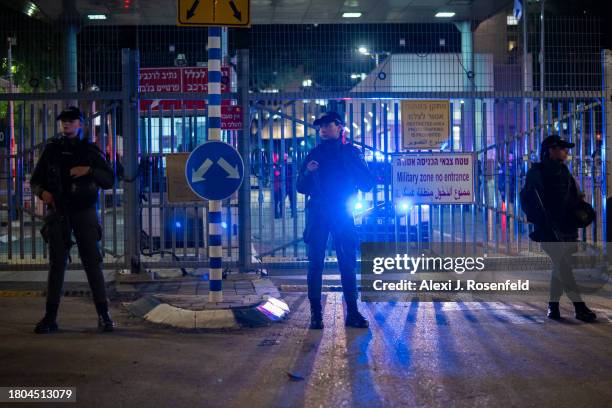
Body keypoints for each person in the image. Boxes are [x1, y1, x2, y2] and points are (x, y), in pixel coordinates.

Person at [30, 106, 116, 333]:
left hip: (84, 210)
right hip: (58, 211)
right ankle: (50, 317)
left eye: (71, 121)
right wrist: (43, 193)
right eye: (63, 121)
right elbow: (35, 181)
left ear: (80, 124)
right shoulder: (52, 150)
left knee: (92, 262)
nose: (66, 124)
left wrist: (88, 170)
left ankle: (104, 315)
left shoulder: (89, 150)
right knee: (57, 264)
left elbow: (109, 179)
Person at [297, 111, 375, 329]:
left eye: (328, 125)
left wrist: (353, 166)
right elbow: (300, 187)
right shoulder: (314, 154)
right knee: (315, 264)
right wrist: (307, 173)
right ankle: (316, 315)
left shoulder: (351, 153)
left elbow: (368, 183)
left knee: (347, 263)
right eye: (320, 126)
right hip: (318, 213)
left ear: (339, 127)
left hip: (342, 212)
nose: (323, 129)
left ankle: (352, 313)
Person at [520, 134, 597, 322]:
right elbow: (532, 201)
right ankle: (579, 307)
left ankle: (553, 307)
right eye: (562, 148)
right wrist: (543, 223)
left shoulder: (563, 171)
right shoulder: (537, 172)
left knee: (560, 267)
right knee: (564, 267)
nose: (565, 152)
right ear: (550, 151)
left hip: (566, 228)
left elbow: (574, 198)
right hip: (549, 229)